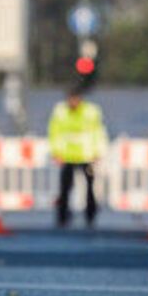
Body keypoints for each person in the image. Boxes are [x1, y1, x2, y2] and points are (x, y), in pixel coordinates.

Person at [48, 87, 109, 227]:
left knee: (90, 187)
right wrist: (56, 152)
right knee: (65, 188)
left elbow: (98, 132)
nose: (73, 102)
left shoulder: (91, 112)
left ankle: (90, 216)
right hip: (67, 156)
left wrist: (98, 152)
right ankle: (62, 217)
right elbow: (54, 132)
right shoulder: (60, 112)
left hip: (86, 155)